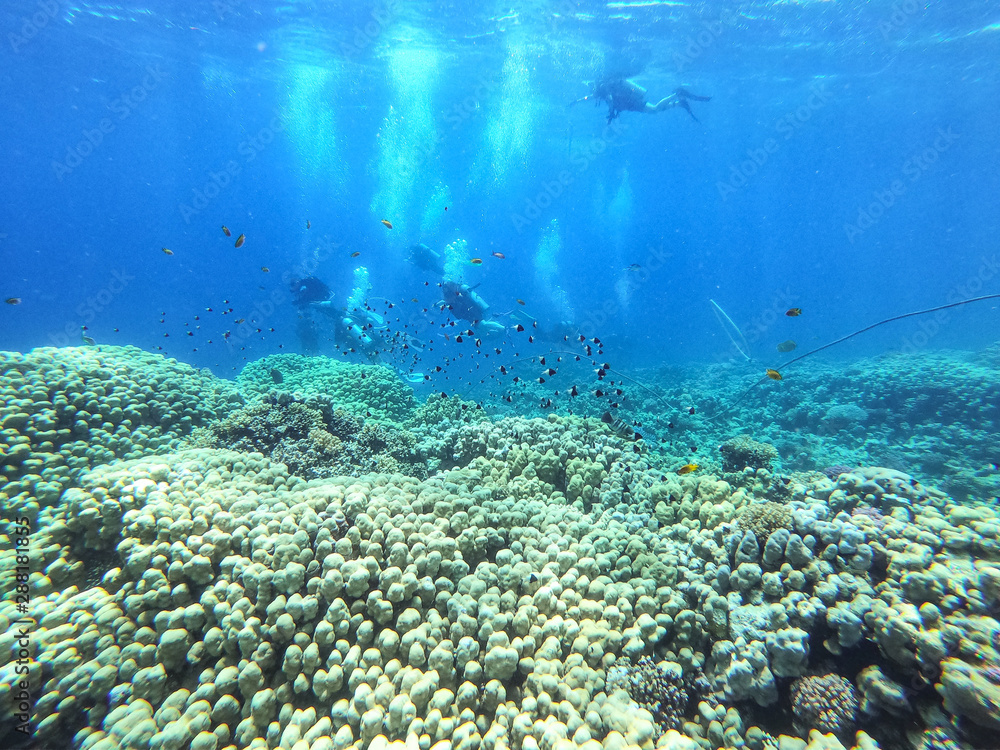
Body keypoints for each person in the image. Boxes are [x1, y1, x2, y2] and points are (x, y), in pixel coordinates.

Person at [572, 78, 711, 123]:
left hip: (632, 103)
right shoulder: (600, 92)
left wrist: (610, 113)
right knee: (654, 111)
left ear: (594, 87)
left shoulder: (604, 91)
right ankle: (678, 102)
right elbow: (588, 98)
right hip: (631, 104)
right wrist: (576, 101)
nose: (591, 92)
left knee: (655, 109)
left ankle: (676, 95)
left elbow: (610, 99)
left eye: (591, 89)